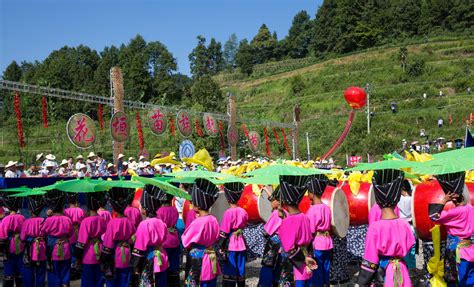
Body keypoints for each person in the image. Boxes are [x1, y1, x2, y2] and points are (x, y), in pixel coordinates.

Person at [356, 169, 415, 287]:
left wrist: (360, 283)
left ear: (377, 199)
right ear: (397, 199)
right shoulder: (405, 224)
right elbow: (410, 246)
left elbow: (370, 261)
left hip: (385, 272)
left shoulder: (375, 228)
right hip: (402, 270)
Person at [429, 172, 474, 286]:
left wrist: (444, 200)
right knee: (470, 280)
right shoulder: (470, 208)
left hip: (458, 254)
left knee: (456, 280)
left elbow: (433, 216)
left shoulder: (455, 212)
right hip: (470, 250)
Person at [278, 175, 317, 287]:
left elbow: (289, 248)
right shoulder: (304, 217)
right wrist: (307, 257)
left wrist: (303, 259)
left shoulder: (287, 222)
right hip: (306, 263)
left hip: (295, 265)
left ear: (285, 201)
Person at [181, 178, 221, 287]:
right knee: (210, 281)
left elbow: (185, 241)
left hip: (198, 258)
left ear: (198, 205)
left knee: (198, 281)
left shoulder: (197, 222)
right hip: (211, 256)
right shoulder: (213, 219)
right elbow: (217, 237)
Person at [130, 185, 169, 287]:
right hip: (162, 256)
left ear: (145, 208)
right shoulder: (161, 222)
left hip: (149, 258)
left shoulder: (144, 224)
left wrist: (135, 265)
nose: (140, 207)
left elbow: (139, 247)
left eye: (141, 205)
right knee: (161, 282)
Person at [101, 187, 136, 287]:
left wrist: (103, 258)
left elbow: (108, 243)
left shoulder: (112, 222)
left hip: (115, 253)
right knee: (125, 277)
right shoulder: (129, 221)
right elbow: (134, 237)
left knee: (113, 278)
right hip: (127, 252)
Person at [41, 189, 74, 287]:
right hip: (66, 247)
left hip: (52, 248)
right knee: (65, 271)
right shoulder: (67, 219)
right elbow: (71, 233)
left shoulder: (48, 220)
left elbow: (42, 231)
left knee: (53, 272)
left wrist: (47, 216)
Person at [217, 182, 248, 287]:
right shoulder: (243, 211)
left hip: (231, 243)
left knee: (231, 267)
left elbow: (224, 231)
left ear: (228, 198)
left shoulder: (228, 212)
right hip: (241, 241)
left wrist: (220, 245)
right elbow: (244, 225)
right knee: (241, 267)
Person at [258, 186, 289, 286]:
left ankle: (265, 284)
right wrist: (266, 190)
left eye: (273, 199)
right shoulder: (287, 213)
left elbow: (266, 231)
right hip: (284, 244)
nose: (271, 202)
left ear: (278, 201)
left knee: (267, 266)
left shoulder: (276, 213)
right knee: (279, 266)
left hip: (274, 242)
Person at [75, 191, 107, 287]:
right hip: (100, 250)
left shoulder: (85, 221)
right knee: (99, 279)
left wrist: (77, 257)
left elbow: (81, 242)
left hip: (88, 253)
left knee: (88, 281)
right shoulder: (102, 218)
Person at [306, 175, 333, 287]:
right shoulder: (326, 207)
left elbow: (310, 230)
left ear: (312, 193)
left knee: (316, 269)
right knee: (326, 267)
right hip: (328, 242)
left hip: (318, 243)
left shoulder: (312, 210)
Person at [154, 186, 181, 286]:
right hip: (174, 238)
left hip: (164, 241)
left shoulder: (159, 211)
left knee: (163, 267)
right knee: (174, 267)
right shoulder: (174, 210)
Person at [21, 192, 47, 287]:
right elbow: (46, 234)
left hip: (29, 249)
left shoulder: (26, 222)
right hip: (42, 248)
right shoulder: (43, 220)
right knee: (41, 271)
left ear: (30, 210)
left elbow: (22, 237)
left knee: (28, 270)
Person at [0, 193, 26, 287]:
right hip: (20, 242)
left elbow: (2, 235)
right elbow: (24, 231)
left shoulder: (6, 219)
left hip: (9, 244)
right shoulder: (22, 217)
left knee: (9, 265)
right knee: (20, 264)